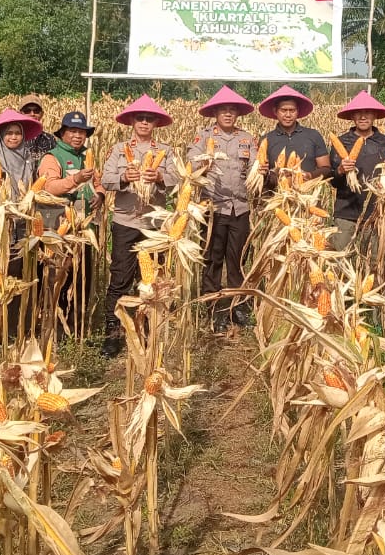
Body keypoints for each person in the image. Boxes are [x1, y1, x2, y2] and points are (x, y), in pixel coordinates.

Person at [98, 95, 180, 358]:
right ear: (132, 121)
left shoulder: (166, 151)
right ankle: (114, 331)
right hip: (125, 221)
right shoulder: (118, 149)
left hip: (154, 224)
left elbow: (179, 180)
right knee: (121, 277)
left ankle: (149, 329)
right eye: (140, 118)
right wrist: (123, 177)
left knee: (153, 279)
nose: (144, 122)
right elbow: (106, 180)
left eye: (149, 118)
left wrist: (159, 177)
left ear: (155, 123)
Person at [189, 86, 258, 332]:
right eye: (223, 111)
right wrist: (202, 165)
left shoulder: (246, 139)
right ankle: (214, 307)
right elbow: (190, 166)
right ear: (215, 113)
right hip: (212, 207)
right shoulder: (203, 137)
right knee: (212, 258)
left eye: (232, 111)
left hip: (239, 207)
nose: (228, 115)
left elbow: (254, 169)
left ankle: (239, 305)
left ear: (237, 114)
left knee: (238, 259)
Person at [37, 111, 99, 335]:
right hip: (61, 229)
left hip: (85, 229)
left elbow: (99, 184)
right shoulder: (51, 158)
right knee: (59, 281)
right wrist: (75, 179)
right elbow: (48, 187)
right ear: (62, 134)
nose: (77, 136)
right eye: (72, 131)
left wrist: (99, 196)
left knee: (82, 280)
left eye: (81, 132)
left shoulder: (87, 156)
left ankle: (78, 328)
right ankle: (55, 329)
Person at [328, 91, 385, 257]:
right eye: (358, 113)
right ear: (352, 116)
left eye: (367, 112)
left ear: (374, 115)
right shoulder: (342, 141)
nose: (363, 117)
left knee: (375, 262)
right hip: (346, 212)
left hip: (376, 212)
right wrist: (340, 170)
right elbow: (332, 180)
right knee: (340, 260)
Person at [256, 85, 332, 186]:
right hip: (276, 197)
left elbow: (326, 168)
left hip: (307, 196)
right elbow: (261, 171)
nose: (288, 115)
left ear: (298, 112)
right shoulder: (266, 140)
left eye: (292, 110)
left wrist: (310, 175)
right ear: (275, 111)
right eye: (283, 110)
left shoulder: (313, 135)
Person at [0, 109, 43, 199]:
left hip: (26, 209)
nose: (13, 137)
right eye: (9, 133)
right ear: (1, 135)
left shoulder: (29, 159)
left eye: (18, 133)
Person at [18, 96, 58, 162]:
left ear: (42, 114)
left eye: (36, 111)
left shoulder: (49, 139)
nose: (32, 114)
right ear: (20, 114)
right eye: (27, 111)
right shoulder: (13, 138)